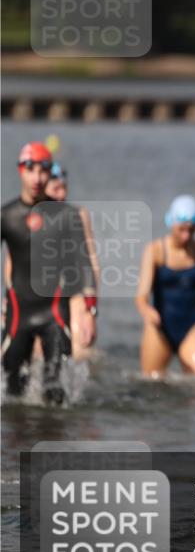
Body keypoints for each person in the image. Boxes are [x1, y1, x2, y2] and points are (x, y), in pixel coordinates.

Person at [2, 142, 96, 404]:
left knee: (55, 393)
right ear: (20, 170)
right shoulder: (6, 216)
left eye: (43, 170)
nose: (37, 178)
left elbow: (84, 263)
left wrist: (90, 311)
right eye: (30, 169)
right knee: (12, 393)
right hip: (18, 313)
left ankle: (53, 443)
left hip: (54, 311)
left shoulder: (66, 216)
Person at [134, 195, 195, 377]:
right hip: (160, 327)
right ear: (171, 223)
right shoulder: (156, 250)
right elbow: (141, 297)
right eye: (182, 230)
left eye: (191, 230)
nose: (186, 236)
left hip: (191, 326)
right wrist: (148, 312)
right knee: (152, 384)